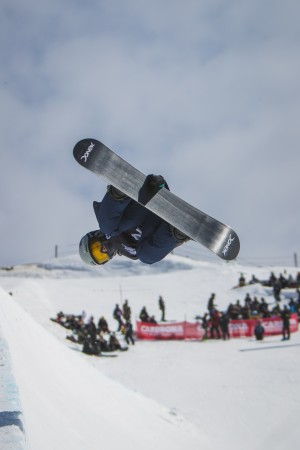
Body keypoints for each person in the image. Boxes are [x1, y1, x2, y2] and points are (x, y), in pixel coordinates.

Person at [78, 175, 190, 267]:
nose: (103, 251)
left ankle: (121, 190)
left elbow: (108, 227)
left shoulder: (108, 224)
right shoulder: (132, 252)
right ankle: (178, 231)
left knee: (108, 228)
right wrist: (179, 239)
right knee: (146, 257)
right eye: (101, 257)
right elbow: (158, 247)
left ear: (95, 236)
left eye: (96, 248)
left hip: (147, 195)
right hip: (165, 221)